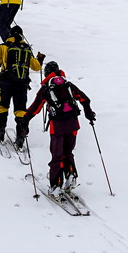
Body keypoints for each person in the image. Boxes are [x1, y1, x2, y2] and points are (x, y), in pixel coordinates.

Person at [30, 61, 95, 196]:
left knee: (57, 157)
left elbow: (35, 108)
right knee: (68, 152)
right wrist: (89, 113)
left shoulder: (46, 88)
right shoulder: (68, 85)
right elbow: (85, 100)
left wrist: (23, 121)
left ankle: (56, 186)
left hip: (57, 128)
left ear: (47, 73)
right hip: (73, 125)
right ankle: (71, 174)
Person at [0, 27, 45, 147]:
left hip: (6, 82)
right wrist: (40, 59)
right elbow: (36, 67)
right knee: (20, 110)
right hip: (22, 84)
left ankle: (0, 130)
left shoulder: (4, 46)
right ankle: (21, 134)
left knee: (3, 105)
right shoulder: (27, 49)